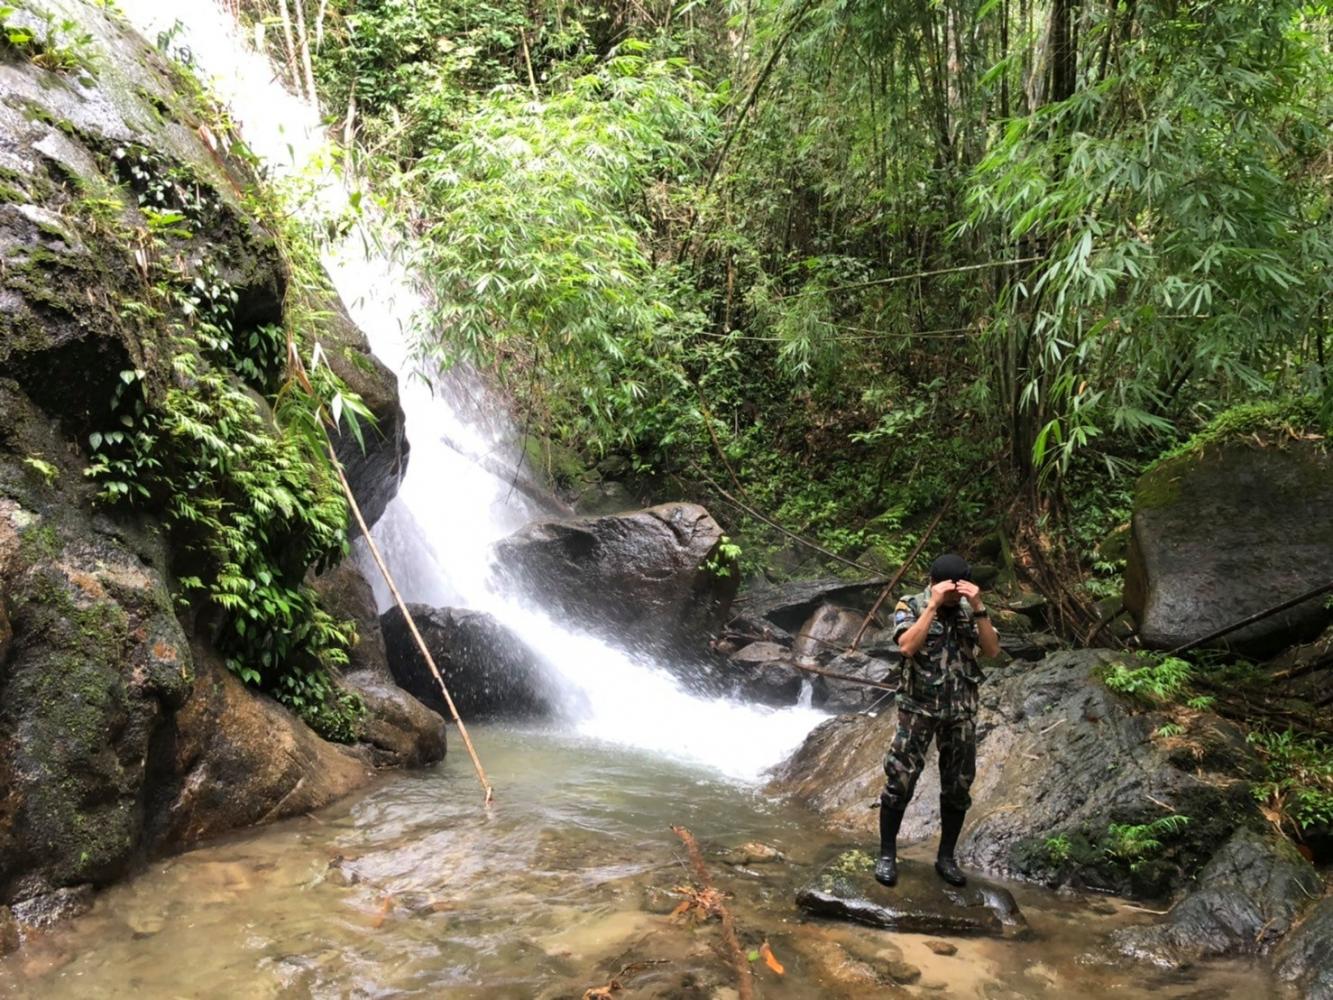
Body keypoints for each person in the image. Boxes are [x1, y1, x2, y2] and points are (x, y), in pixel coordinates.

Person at [874, 552, 1001, 888]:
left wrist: (978, 608)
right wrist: (931, 607)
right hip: (918, 708)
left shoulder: (967, 610)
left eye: (958, 592)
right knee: (900, 780)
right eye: (950, 591)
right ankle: (887, 854)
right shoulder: (911, 604)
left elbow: (991, 651)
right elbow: (906, 647)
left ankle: (946, 858)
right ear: (933, 583)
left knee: (958, 785)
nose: (953, 598)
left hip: (960, 712)